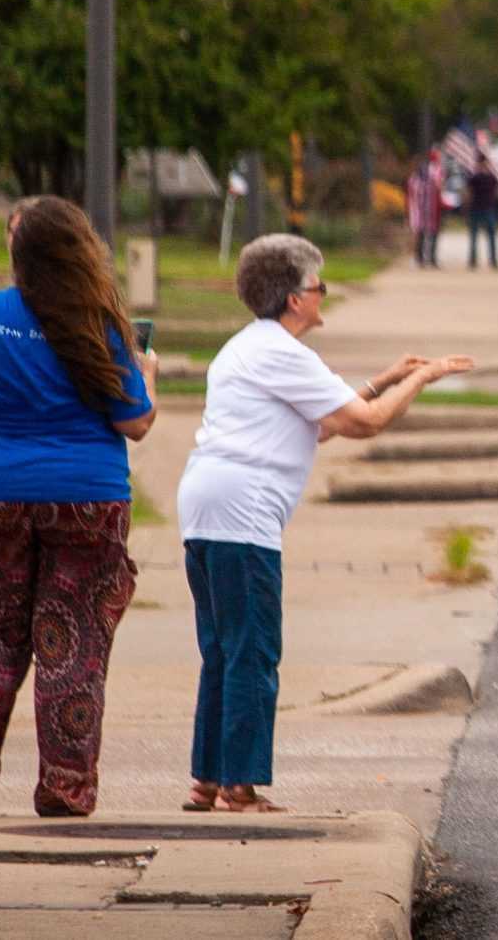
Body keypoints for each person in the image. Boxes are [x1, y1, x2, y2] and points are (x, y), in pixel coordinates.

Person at [175, 234, 474, 812]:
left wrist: (383, 379)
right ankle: (240, 785)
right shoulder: (284, 354)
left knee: (223, 649)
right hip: (244, 513)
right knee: (254, 651)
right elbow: (363, 425)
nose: (322, 297)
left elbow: (324, 422)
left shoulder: (244, 348)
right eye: (318, 287)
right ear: (293, 298)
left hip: (204, 508)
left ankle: (206, 779)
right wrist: (422, 379)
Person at [0, 196, 157, 816]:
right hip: (87, 497)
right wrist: (144, 373)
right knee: (70, 641)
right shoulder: (99, 324)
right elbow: (137, 424)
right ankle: (65, 789)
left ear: (16, 253)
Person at [464, 150, 498, 271]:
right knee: (476, 237)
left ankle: (492, 260)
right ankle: (475, 260)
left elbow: (495, 192)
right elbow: (469, 193)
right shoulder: (477, 177)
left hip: (486, 208)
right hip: (480, 208)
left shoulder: (489, 177)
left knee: (489, 237)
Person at [407, 151, 442, 269]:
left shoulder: (432, 179)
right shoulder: (414, 180)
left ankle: (431, 258)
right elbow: (411, 197)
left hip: (432, 211)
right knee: (419, 235)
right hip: (419, 212)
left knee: (432, 235)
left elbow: (438, 190)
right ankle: (419, 258)